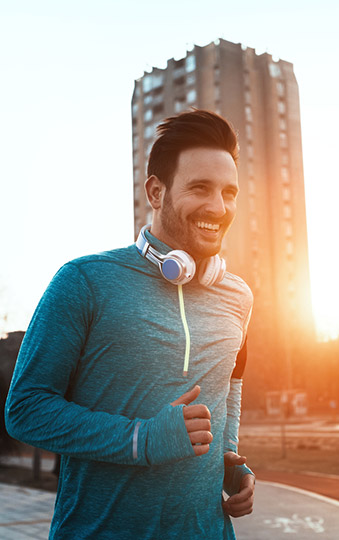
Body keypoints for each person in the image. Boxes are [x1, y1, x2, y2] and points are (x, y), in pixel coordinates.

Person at [5, 110, 255, 539]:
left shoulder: (238, 296)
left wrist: (229, 460)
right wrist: (143, 439)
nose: (219, 207)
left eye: (229, 192)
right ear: (156, 192)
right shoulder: (83, 281)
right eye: (200, 188)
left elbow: (229, 386)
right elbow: (26, 411)